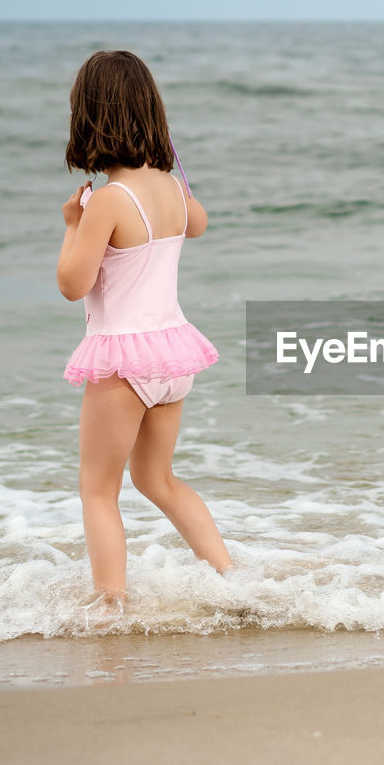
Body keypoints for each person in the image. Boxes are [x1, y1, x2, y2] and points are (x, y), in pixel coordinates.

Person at [57, 50, 233, 608]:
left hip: (123, 361)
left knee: (97, 490)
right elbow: (199, 225)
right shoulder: (174, 192)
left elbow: (72, 283)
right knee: (159, 481)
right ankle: (233, 582)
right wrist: (175, 174)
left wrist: (72, 226)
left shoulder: (108, 201)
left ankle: (111, 607)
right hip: (172, 355)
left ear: (88, 119)